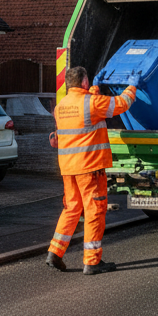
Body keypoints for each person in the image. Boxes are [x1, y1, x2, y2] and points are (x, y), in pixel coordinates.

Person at [46, 65, 138, 275]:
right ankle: (92, 261)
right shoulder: (92, 104)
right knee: (94, 211)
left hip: (68, 169)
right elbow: (122, 104)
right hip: (89, 168)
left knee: (71, 209)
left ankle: (55, 252)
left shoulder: (61, 106)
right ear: (85, 82)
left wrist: (95, 89)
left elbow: (83, 111)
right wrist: (132, 86)